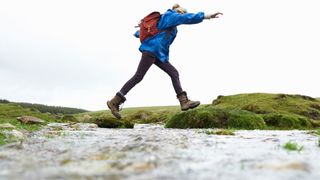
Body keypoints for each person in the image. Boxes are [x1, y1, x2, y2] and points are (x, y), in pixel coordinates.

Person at [107, 4, 223, 119]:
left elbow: (150, 32)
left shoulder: (169, 22)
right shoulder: (171, 15)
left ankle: (184, 102)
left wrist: (139, 31)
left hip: (158, 54)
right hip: (152, 50)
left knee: (174, 73)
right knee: (138, 76)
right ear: (178, 11)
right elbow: (188, 18)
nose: (182, 16)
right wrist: (207, 16)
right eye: (182, 13)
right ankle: (115, 101)